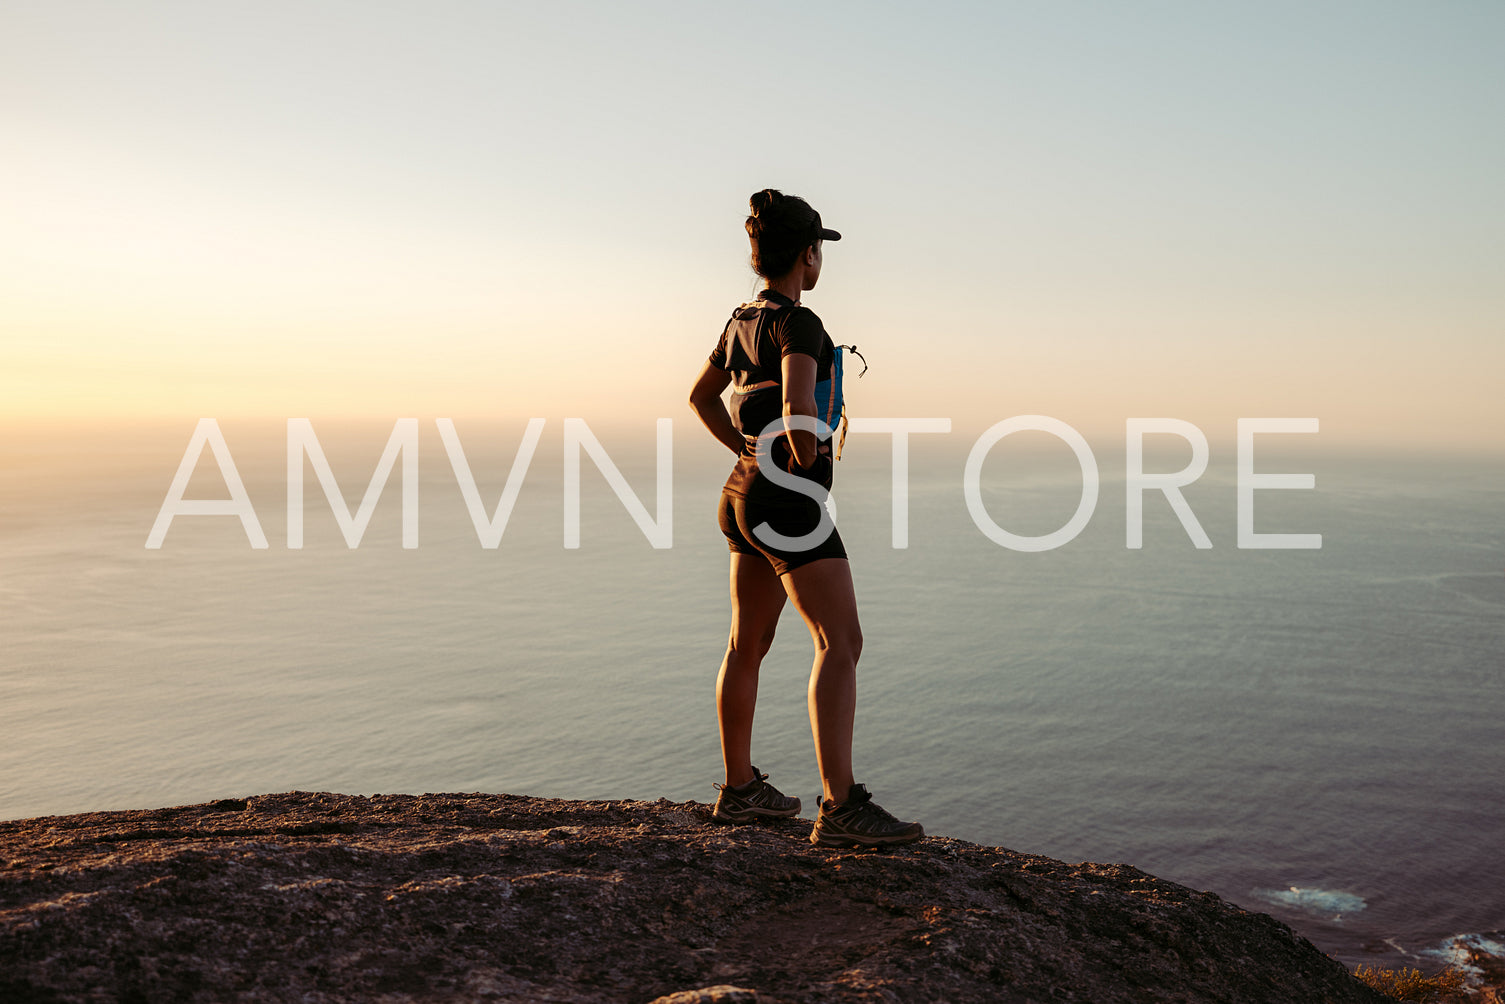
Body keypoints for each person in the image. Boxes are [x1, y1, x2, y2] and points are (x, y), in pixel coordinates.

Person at [687, 188, 924, 848]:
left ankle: (739, 792)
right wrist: (802, 447)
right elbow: (795, 393)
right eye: (820, 251)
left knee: (746, 644)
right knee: (839, 642)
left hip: (740, 494)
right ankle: (840, 805)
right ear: (807, 256)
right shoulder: (801, 322)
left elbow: (701, 397)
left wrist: (743, 448)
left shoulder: (737, 321)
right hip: (787, 497)